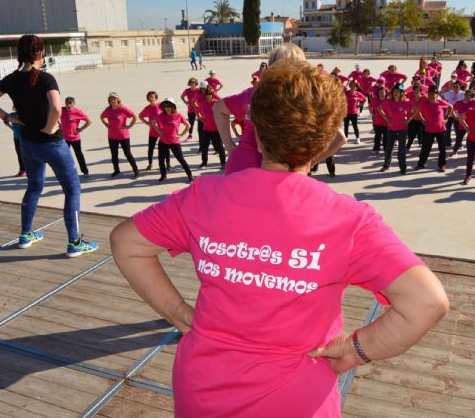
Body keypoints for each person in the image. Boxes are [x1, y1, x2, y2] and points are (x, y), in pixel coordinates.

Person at [110, 59, 449, 418]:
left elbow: (126, 243)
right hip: (296, 397)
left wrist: (179, 314)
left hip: (203, 389)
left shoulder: (204, 195)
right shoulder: (348, 220)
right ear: (328, 136)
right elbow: (426, 302)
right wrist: (357, 348)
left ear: (254, 126)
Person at [0, 34, 98, 257]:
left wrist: (8, 117)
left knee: (34, 186)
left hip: (28, 143)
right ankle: (74, 242)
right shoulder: (46, 78)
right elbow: (56, 108)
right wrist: (50, 127)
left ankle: (26, 234)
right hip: (52, 145)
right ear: (40, 53)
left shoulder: (12, 79)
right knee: (72, 189)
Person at [215, 43, 346, 176]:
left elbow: (218, 108)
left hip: (242, 166)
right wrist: (308, 163)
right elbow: (339, 138)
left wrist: (229, 146)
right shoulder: (309, 99)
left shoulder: (254, 94)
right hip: (283, 173)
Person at [152, 97, 193, 183]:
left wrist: (181, 134)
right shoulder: (160, 116)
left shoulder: (178, 115)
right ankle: (163, 176)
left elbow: (188, 125)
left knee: (181, 159)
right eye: (165, 106)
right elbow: (153, 123)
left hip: (174, 142)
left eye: (169, 106)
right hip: (163, 141)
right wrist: (158, 130)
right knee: (161, 160)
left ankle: (190, 175)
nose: (167, 108)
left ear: (173, 106)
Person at [100, 92, 139, 179]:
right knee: (114, 154)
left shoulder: (122, 108)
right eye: (111, 99)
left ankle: (136, 171)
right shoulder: (108, 110)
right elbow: (102, 116)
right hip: (112, 136)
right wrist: (106, 124)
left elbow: (134, 116)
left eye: (114, 99)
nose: (112, 101)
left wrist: (129, 126)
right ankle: (116, 170)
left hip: (123, 136)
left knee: (128, 154)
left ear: (118, 99)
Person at [414, 85, 452, 172]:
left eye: (434, 93)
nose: (432, 95)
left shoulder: (440, 102)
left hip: (441, 130)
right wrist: (422, 120)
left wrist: (446, 118)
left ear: (437, 94)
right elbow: (417, 111)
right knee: (425, 149)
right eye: (430, 93)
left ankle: (442, 165)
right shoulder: (424, 103)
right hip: (428, 130)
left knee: (442, 149)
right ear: (428, 94)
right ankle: (421, 164)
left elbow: (451, 107)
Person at [378, 84, 412, 174]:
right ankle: (386, 165)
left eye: (398, 92)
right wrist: (386, 118)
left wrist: (409, 119)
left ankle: (403, 167)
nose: (396, 93)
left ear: (401, 93)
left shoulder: (405, 102)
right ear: (392, 93)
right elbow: (379, 108)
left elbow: (415, 109)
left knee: (402, 149)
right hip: (391, 128)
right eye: (395, 91)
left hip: (402, 128)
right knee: (389, 148)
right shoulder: (388, 102)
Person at [139, 91, 169, 172]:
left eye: (152, 96)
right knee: (150, 148)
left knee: (165, 148)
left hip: (162, 131)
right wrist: (147, 123)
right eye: (149, 97)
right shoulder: (147, 108)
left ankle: (168, 164)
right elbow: (140, 116)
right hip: (152, 131)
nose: (151, 98)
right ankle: (150, 164)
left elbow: (168, 114)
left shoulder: (161, 106)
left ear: (156, 97)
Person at [197, 88, 226, 169]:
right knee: (204, 146)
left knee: (219, 146)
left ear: (212, 95)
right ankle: (204, 162)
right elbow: (198, 111)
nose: (208, 97)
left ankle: (223, 163)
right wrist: (200, 118)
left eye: (209, 95)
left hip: (216, 129)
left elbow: (224, 112)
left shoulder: (216, 103)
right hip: (206, 128)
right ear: (205, 96)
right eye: (207, 96)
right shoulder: (202, 103)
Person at [61, 96, 91, 176]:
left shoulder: (78, 112)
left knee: (79, 155)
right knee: (64, 156)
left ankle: (85, 171)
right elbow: (54, 113)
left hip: (75, 139)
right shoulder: (62, 110)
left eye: (70, 103)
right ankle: (66, 172)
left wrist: (80, 129)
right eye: (67, 103)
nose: (68, 105)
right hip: (64, 138)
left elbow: (89, 121)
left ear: (74, 104)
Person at [452, 90, 475, 156]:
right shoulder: (459, 102)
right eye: (466, 94)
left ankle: (473, 150)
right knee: (459, 138)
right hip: (462, 124)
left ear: (472, 96)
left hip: (472, 124)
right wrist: (455, 116)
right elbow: (451, 108)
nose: (467, 96)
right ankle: (455, 151)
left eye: (469, 95)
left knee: (473, 138)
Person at [3, 106, 25, 177]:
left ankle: (29, 169)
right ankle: (22, 170)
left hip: (26, 138)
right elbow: (5, 121)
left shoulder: (26, 114)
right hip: (17, 137)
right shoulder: (12, 115)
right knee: (19, 154)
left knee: (28, 154)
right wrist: (12, 128)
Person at [442, 81, 464, 147]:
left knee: (457, 130)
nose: (455, 88)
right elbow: (442, 96)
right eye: (454, 86)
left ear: (460, 87)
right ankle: (448, 143)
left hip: (458, 114)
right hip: (449, 113)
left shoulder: (463, 94)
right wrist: (446, 103)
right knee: (447, 129)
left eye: (457, 87)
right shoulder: (449, 93)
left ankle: (459, 144)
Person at [344, 80, 367, 144]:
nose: (353, 86)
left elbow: (364, 99)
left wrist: (360, 105)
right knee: (346, 126)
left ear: (356, 86)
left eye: (354, 85)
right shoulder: (345, 93)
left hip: (354, 112)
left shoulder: (358, 93)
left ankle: (357, 138)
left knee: (355, 126)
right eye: (351, 85)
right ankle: (345, 138)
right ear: (350, 85)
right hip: (346, 112)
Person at [369, 86, 389, 153]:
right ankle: (376, 149)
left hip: (387, 122)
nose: (381, 93)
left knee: (386, 137)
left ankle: (386, 149)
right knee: (377, 136)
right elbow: (370, 107)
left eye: (383, 92)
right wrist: (373, 114)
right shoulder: (375, 100)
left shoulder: (388, 100)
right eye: (380, 92)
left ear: (386, 93)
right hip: (377, 122)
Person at [406, 85, 426, 151]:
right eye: (415, 91)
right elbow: (409, 110)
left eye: (417, 90)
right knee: (412, 135)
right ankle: (408, 147)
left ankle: (424, 147)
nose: (416, 92)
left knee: (425, 134)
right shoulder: (412, 100)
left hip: (423, 119)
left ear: (420, 91)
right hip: (415, 119)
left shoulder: (424, 98)